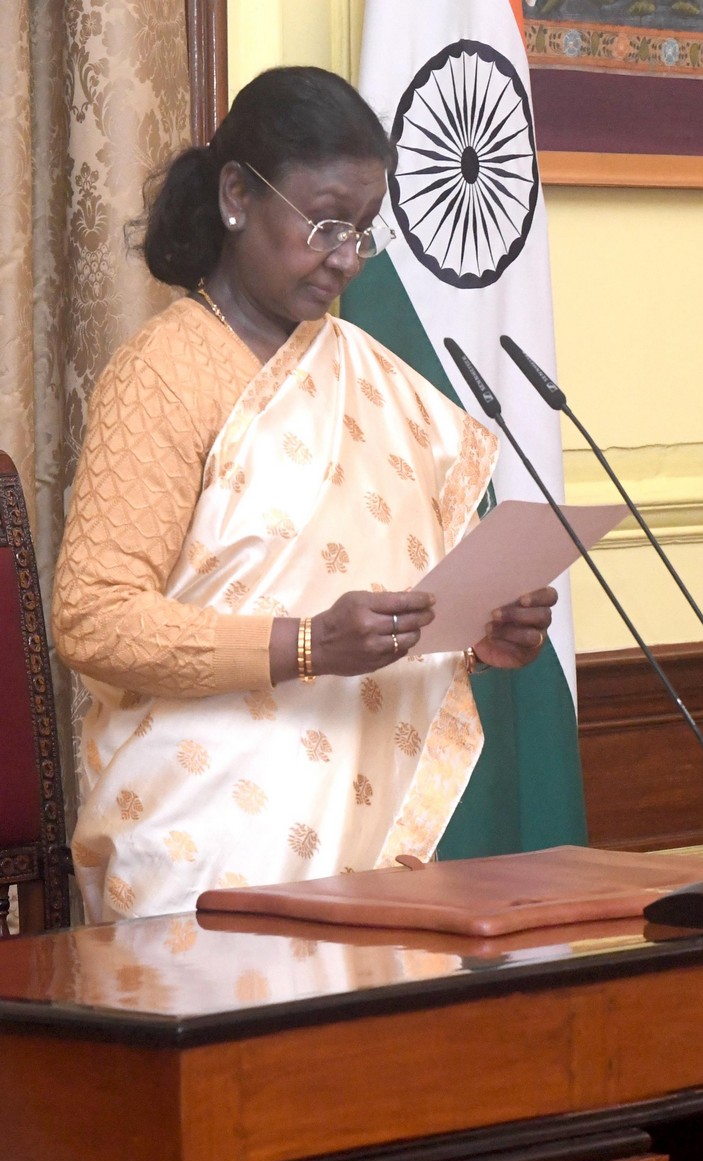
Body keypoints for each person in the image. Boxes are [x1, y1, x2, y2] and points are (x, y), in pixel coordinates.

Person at [53, 67, 557, 923]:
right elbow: (93, 616)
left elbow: (402, 591)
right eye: (325, 223)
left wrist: (479, 632)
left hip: (354, 844)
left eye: (364, 230)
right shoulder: (165, 374)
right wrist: (308, 646)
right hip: (198, 844)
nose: (347, 258)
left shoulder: (371, 379)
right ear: (238, 197)